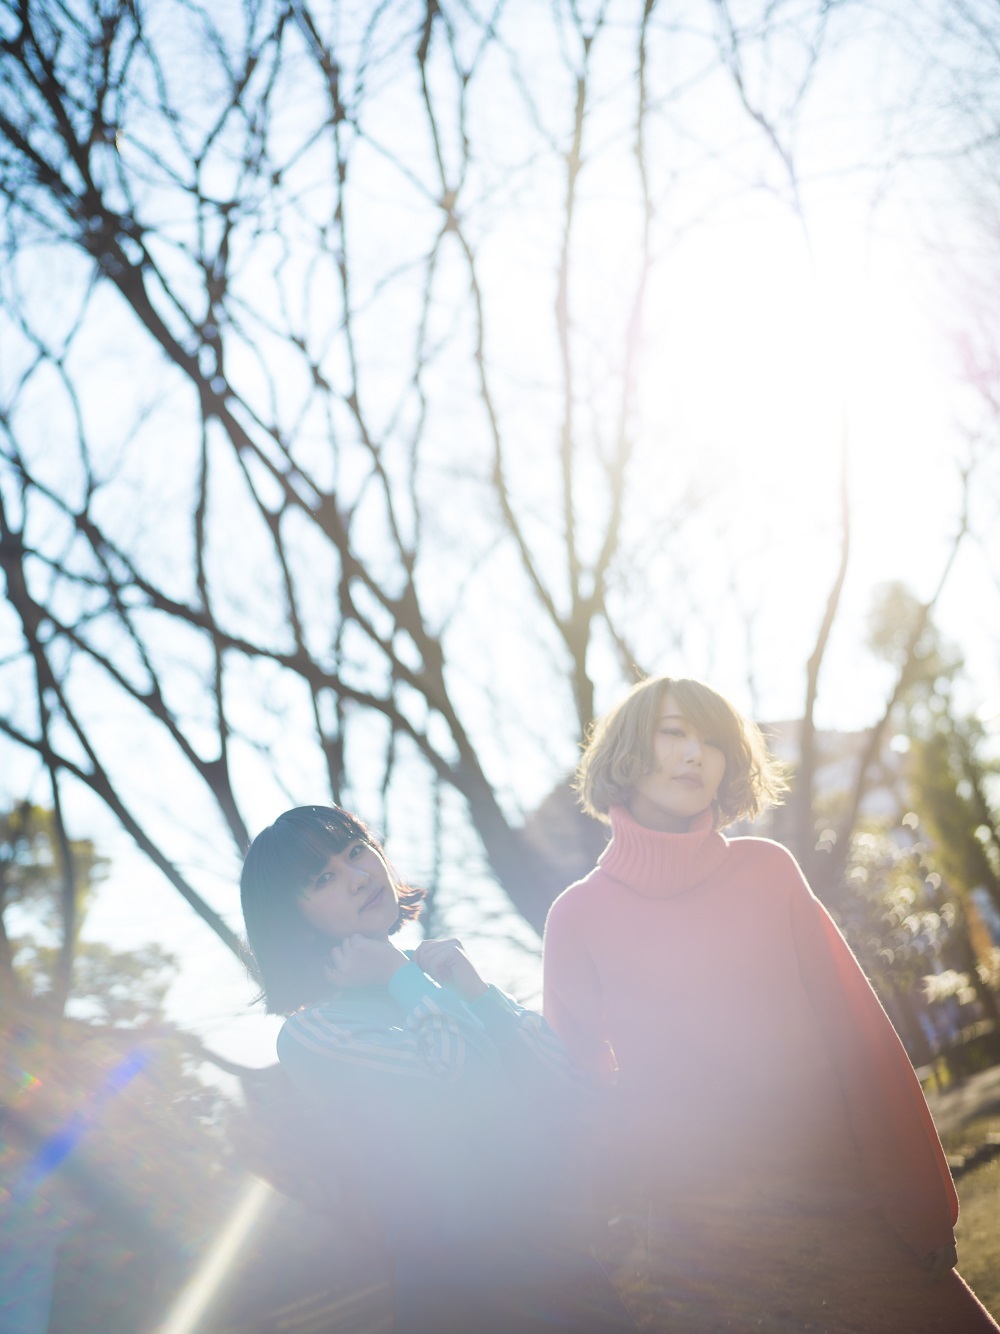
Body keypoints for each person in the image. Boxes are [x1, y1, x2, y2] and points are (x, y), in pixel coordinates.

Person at [542, 675, 999, 1333]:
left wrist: (923, 1204)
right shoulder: (577, 918)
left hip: (851, 1209)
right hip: (711, 1258)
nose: (695, 753)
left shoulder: (768, 870)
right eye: (674, 732)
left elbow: (861, 1039)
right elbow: (583, 1101)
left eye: (712, 741)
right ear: (627, 751)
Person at [240, 803, 635, 1334]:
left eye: (357, 851)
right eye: (323, 878)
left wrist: (475, 991)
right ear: (294, 920)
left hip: (570, 1271)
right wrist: (406, 980)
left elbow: (570, 1095)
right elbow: (475, 1092)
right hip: (470, 1298)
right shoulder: (315, 1036)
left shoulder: (434, 985)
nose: (358, 878)